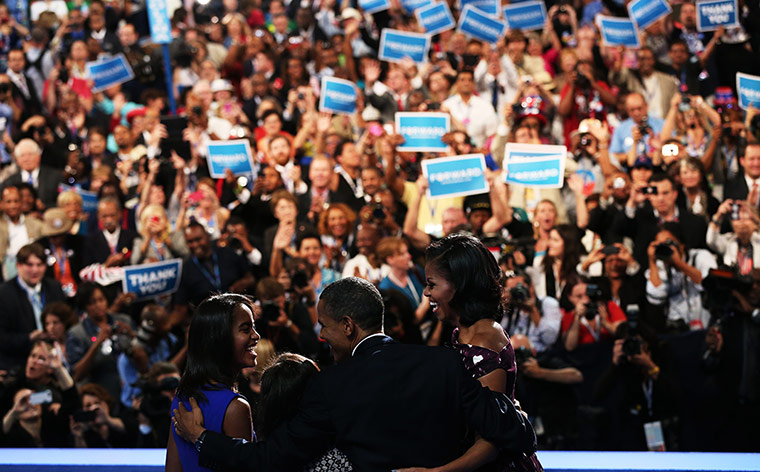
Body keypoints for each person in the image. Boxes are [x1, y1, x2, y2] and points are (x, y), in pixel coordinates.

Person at [173, 278, 536, 471]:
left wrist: (202, 437)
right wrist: (509, 397)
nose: (319, 336)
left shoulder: (330, 386)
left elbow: (269, 459)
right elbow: (517, 433)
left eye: (324, 326)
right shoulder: (443, 364)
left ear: (347, 326)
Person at [422, 234, 543, 471]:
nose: (426, 293)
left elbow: (490, 442)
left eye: (432, 284)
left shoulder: (484, 343)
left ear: (459, 285)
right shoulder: (466, 332)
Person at [166, 293, 259, 471]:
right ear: (219, 338)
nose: (256, 336)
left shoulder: (183, 396)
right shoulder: (235, 407)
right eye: (246, 329)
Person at [0, 242, 65, 370]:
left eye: (39, 265)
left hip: (54, 357)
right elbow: (2, 338)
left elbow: (66, 320)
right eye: (29, 265)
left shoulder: (54, 288)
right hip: (18, 361)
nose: (35, 270)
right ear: (18, 266)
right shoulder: (3, 294)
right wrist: (29, 338)